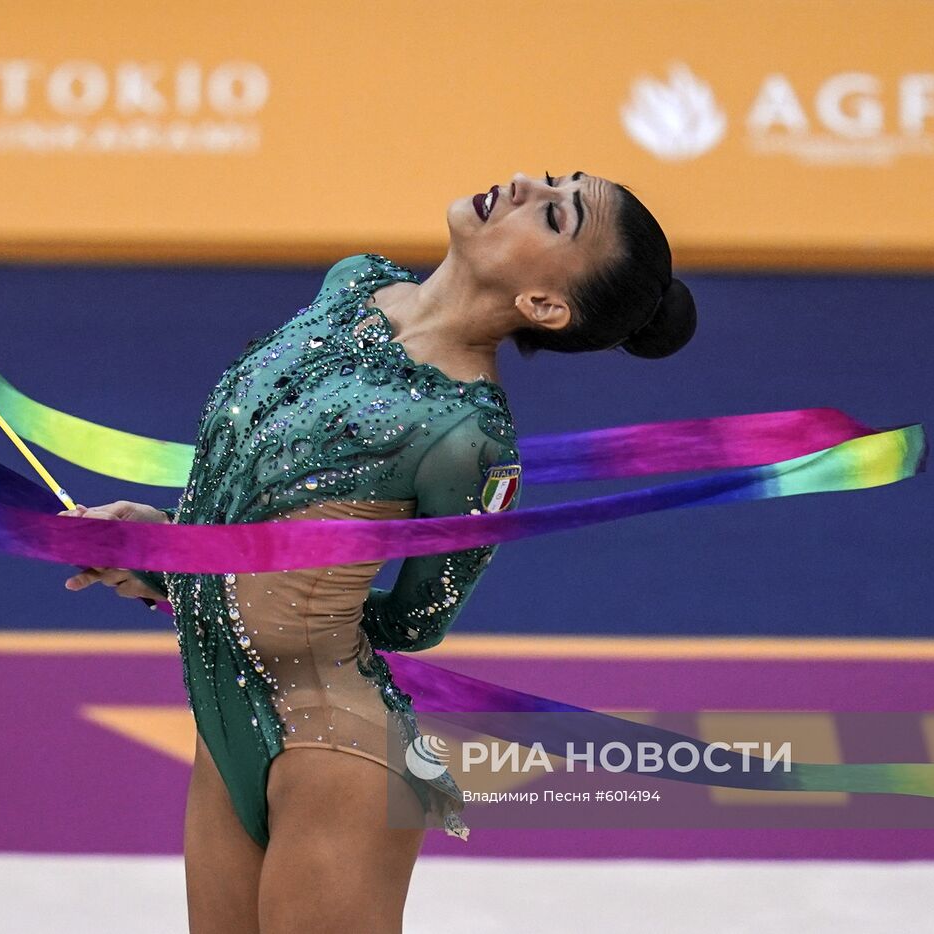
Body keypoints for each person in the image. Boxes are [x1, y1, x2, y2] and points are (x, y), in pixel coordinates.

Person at [59, 171, 697, 933]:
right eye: (551, 178)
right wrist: (163, 552)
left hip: (338, 751)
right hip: (223, 721)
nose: (525, 183)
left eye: (554, 214)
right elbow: (248, 475)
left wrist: (278, 609)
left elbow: (415, 620)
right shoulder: (352, 284)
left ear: (546, 305)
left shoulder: (469, 438)